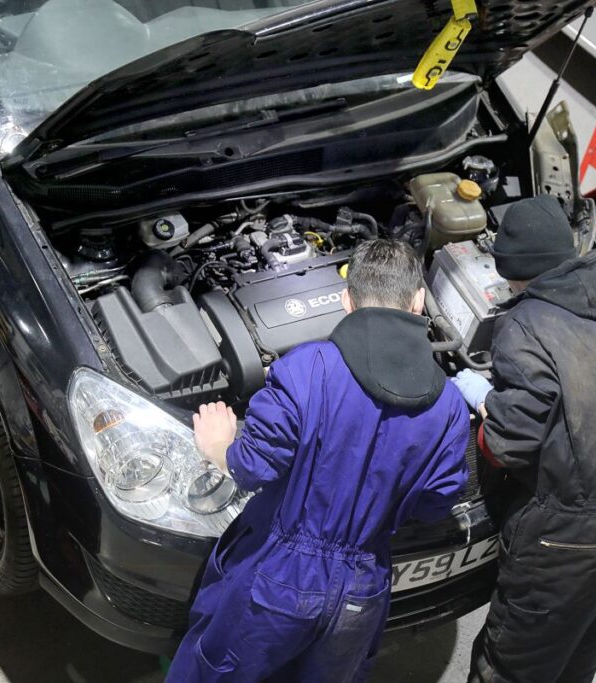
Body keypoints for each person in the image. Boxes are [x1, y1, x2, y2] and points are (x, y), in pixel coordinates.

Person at [167, 239, 470, 683]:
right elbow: (434, 505)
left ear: (348, 301)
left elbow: (252, 466)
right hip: (363, 589)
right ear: (419, 300)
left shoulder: (306, 369)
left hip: (277, 580)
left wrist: (221, 444)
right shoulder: (448, 404)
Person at [453, 196, 596, 683]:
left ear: (516, 273)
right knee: (581, 649)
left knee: (513, 665)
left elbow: (507, 445)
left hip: (571, 539)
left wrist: (483, 402)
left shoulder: (526, 326)